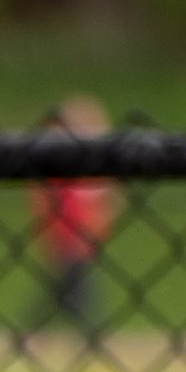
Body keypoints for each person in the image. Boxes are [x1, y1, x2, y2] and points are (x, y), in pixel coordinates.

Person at [30, 96, 119, 336]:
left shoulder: (88, 164)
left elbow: (103, 199)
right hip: (65, 230)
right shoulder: (58, 163)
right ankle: (90, 334)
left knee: (70, 287)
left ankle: (39, 332)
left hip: (79, 230)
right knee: (74, 288)